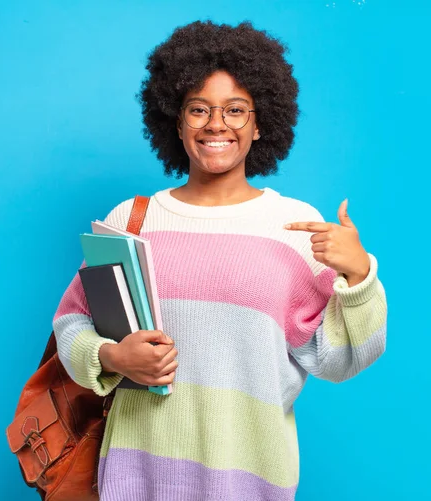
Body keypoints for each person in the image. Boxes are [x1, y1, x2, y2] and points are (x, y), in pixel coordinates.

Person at [52, 20, 387, 501]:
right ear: (175, 118)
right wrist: (111, 356)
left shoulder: (293, 226)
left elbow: (341, 359)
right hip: (136, 476)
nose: (216, 124)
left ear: (259, 123)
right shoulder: (132, 218)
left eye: (235, 110)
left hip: (248, 480)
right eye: (198, 109)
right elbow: (73, 321)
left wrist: (357, 275)